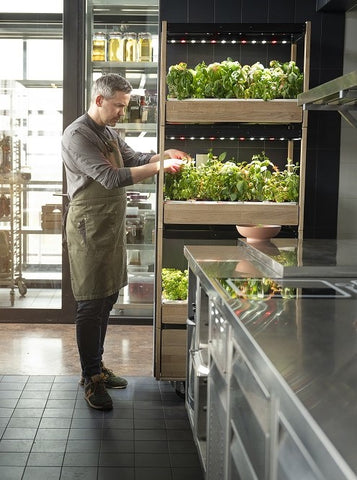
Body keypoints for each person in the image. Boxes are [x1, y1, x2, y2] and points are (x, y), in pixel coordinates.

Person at [62, 73, 186, 410]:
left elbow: (133, 159)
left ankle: (98, 367)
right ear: (100, 100)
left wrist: (162, 155)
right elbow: (110, 176)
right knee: (90, 303)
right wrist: (161, 168)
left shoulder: (110, 132)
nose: (122, 112)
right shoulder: (77, 135)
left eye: (125, 106)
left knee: (107, 297)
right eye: (118, 106)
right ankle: (90, 378)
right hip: (89, 228)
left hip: (110, 227)